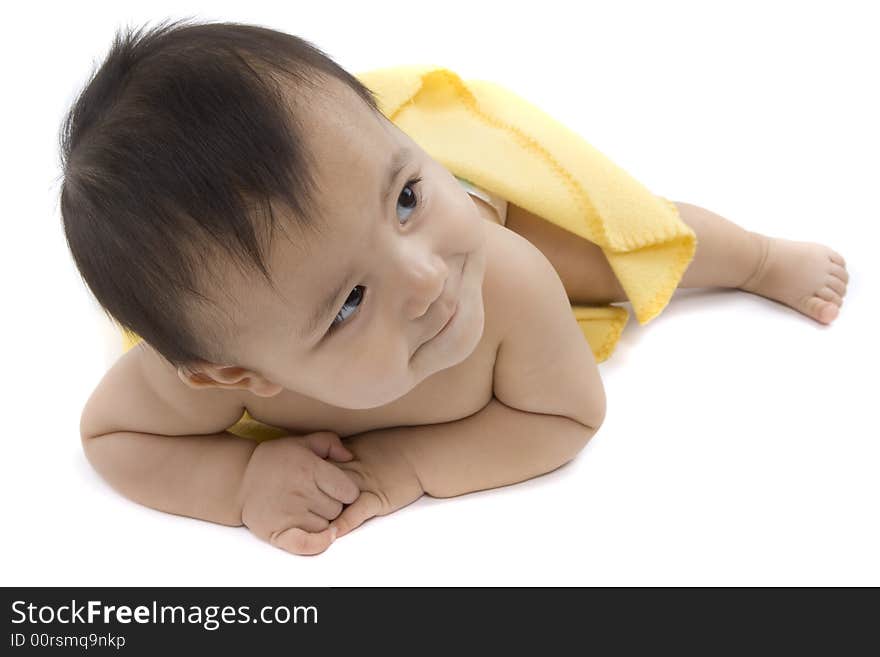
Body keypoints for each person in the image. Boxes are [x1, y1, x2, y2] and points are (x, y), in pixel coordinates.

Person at [64, 20, 848, 556]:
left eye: (404, 197)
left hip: (469, 190)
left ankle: (756, 258)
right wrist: (238, 483)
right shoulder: (212, 368)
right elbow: (109, 438)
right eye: (348, 304)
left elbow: (569, 414)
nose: (427, 277)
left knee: (627, 245)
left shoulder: (500, 272)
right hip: (348, 200)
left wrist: (407, 466)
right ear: (239, 373)